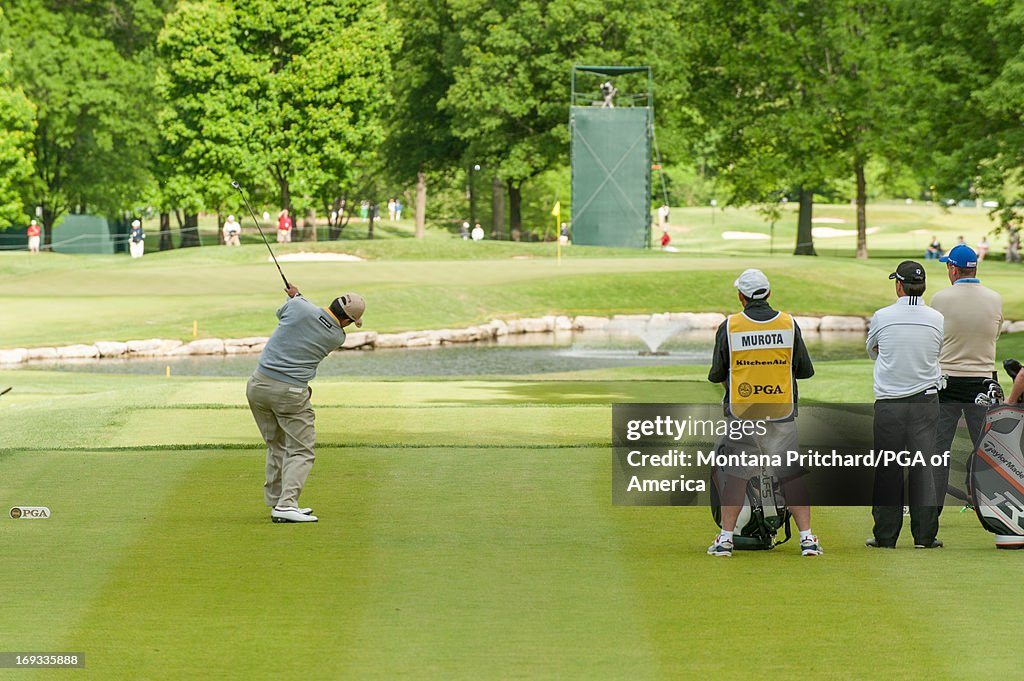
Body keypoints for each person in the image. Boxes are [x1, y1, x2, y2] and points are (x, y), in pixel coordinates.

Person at [706, 269, 822, 557]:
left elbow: (717, 373)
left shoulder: (730, 326)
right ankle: (807, 539)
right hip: (780, 412)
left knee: (736, 475)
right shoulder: (787, 324)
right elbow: (804, 371)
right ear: (768, 293)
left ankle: (725, 540)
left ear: (741, 297)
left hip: (743, 412)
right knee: (790, 475)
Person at [247, 284, 366, 523]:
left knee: (276, 445)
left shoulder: (299, 307)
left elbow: (290, 313)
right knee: (301, 449)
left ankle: (277, 501)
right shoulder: (336, 337)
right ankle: (286, 505)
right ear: (348, 321)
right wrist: (299, 299)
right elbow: (316, 319)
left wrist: (297, 297)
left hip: (257, 386)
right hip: (290, 391)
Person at [865, 261, 944, 549]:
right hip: (926, 400)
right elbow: (937, 350)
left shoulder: (882, 316)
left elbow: (872, 351)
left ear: (899, 285)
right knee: (922, 467)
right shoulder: (936, 317)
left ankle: (886, 536)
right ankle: (925, 537)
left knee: (889, 468)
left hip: (890, 403)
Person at [931, 244, 1003, 516]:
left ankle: (931, 512)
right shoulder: (994, 298)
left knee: (938, 450)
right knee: (986, 449)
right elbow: (993, 336)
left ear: (953, 268)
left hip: (946, 382)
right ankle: (994, 508)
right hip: (982, 383)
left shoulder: (940, 299)